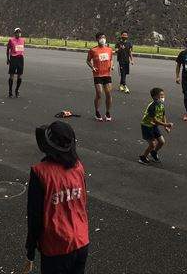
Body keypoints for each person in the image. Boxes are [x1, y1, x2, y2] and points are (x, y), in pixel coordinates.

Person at [23, 121, 89, 274]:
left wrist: (30, 252)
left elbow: (34, 216)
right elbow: (82, 202)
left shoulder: (40, 172)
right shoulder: (78, 167)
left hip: (56, 245)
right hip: (81, 239)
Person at [139, 87, 173, 165]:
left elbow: (163, 115)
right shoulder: (152, 106)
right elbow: (154, 120)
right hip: (147, 126)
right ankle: (143, 158)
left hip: (154, 126)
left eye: (163, 95)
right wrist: (166, 124)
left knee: (162, 141)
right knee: (152, 144)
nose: (163, 97)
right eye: (161, 95)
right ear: (155, 97)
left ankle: (154, 153)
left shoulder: (161, 105)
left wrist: (166, 126)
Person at [86, 32, 114, 121]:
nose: (103, 39)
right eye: (101, 37)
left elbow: (111, 59)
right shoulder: (93, 50)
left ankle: (108, 112)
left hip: (107, 74)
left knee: (108, 93)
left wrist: (111, 66)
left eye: (104, 37)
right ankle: (97, 111)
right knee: (99, 93)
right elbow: (88, 60)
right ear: (97, 39)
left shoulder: (109, 49)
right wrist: (92, 67)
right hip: (97, 74)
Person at [7, 28, 25, 98]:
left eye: (20, 32)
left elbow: (22, 49)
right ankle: (10, 91)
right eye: (17, 32)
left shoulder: (23, 40)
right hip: (13, 58)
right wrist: (8, 59)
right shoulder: (11, 40)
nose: (19, 34)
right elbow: (8, 49)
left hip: (20, 58)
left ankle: (17, 90)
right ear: (15, 33)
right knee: (12, 75)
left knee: (20, 75)